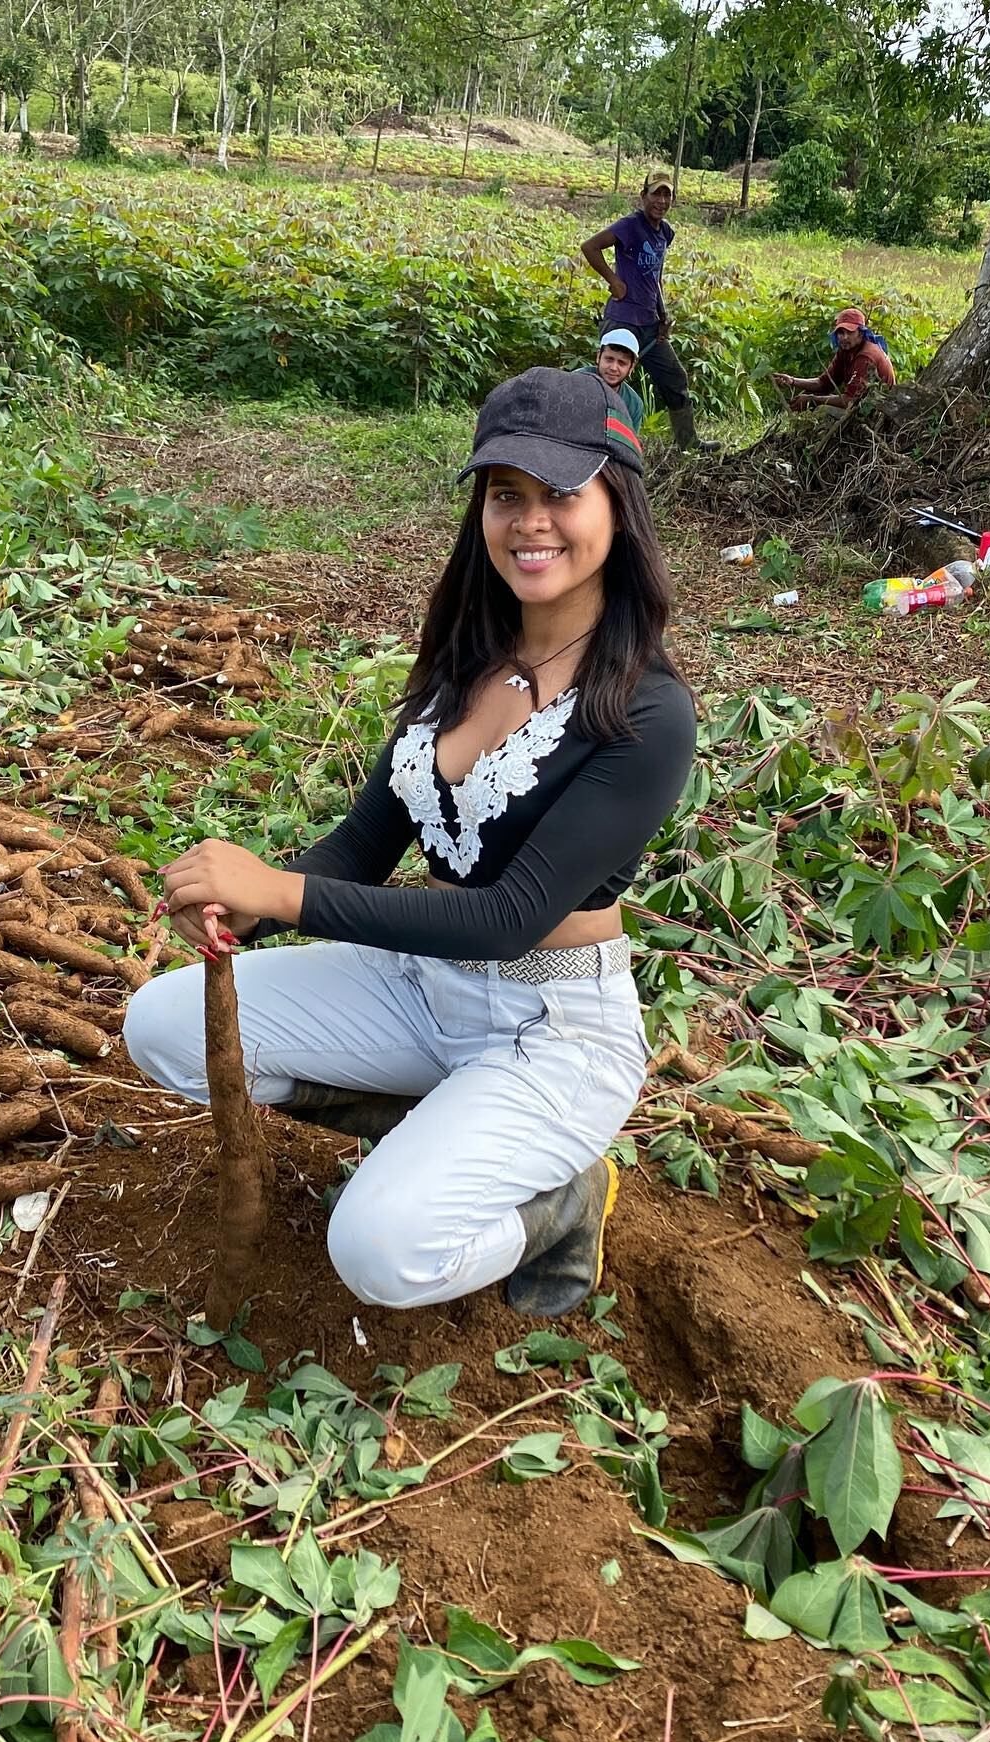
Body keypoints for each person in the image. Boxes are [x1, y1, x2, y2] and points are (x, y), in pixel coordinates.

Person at [124, 367, 697, 1320]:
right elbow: (360, 846)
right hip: (415, 989)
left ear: (617, 503)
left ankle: (559, 1202)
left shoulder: (647, 710)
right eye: (505, 494)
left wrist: (281, 893)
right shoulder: (467, 660)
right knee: (161, 1026)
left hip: (550, 1026)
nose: (531, 522)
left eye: (561, 493)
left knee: (381, 1250)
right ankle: (430, 1128)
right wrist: (244, 909)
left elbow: (510, 918)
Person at [581, 172, 715, 451]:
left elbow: (654, 277)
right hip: (622, 319)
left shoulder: (665, 233)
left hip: (648, 322)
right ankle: (588, 439)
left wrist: (662, 314)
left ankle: (688, 444)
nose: (661, 200)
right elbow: (590, 247)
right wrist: (614, 281)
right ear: (643, 196)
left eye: (667, 195)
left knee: (675, 378)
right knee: (607, 379)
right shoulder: (631, 225)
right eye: (656, 194)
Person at [773, 307, 896, 411]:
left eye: (849, 332)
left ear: (861, 333)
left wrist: (813, 400)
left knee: (822, 409)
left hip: (878, 412)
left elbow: (850, 401)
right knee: (813, 398)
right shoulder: (845, 351)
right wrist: (793, 381)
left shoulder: (866, 356)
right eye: (841, 333)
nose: (844, 337)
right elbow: (823, 383)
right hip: (860, 406)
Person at [596, 327, 645, 434]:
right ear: (598, 356)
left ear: (631, 367)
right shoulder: (577, 380)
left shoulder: (634, 404)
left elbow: (627, 446)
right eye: (609, 359)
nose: (613, 368)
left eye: (622, 363)